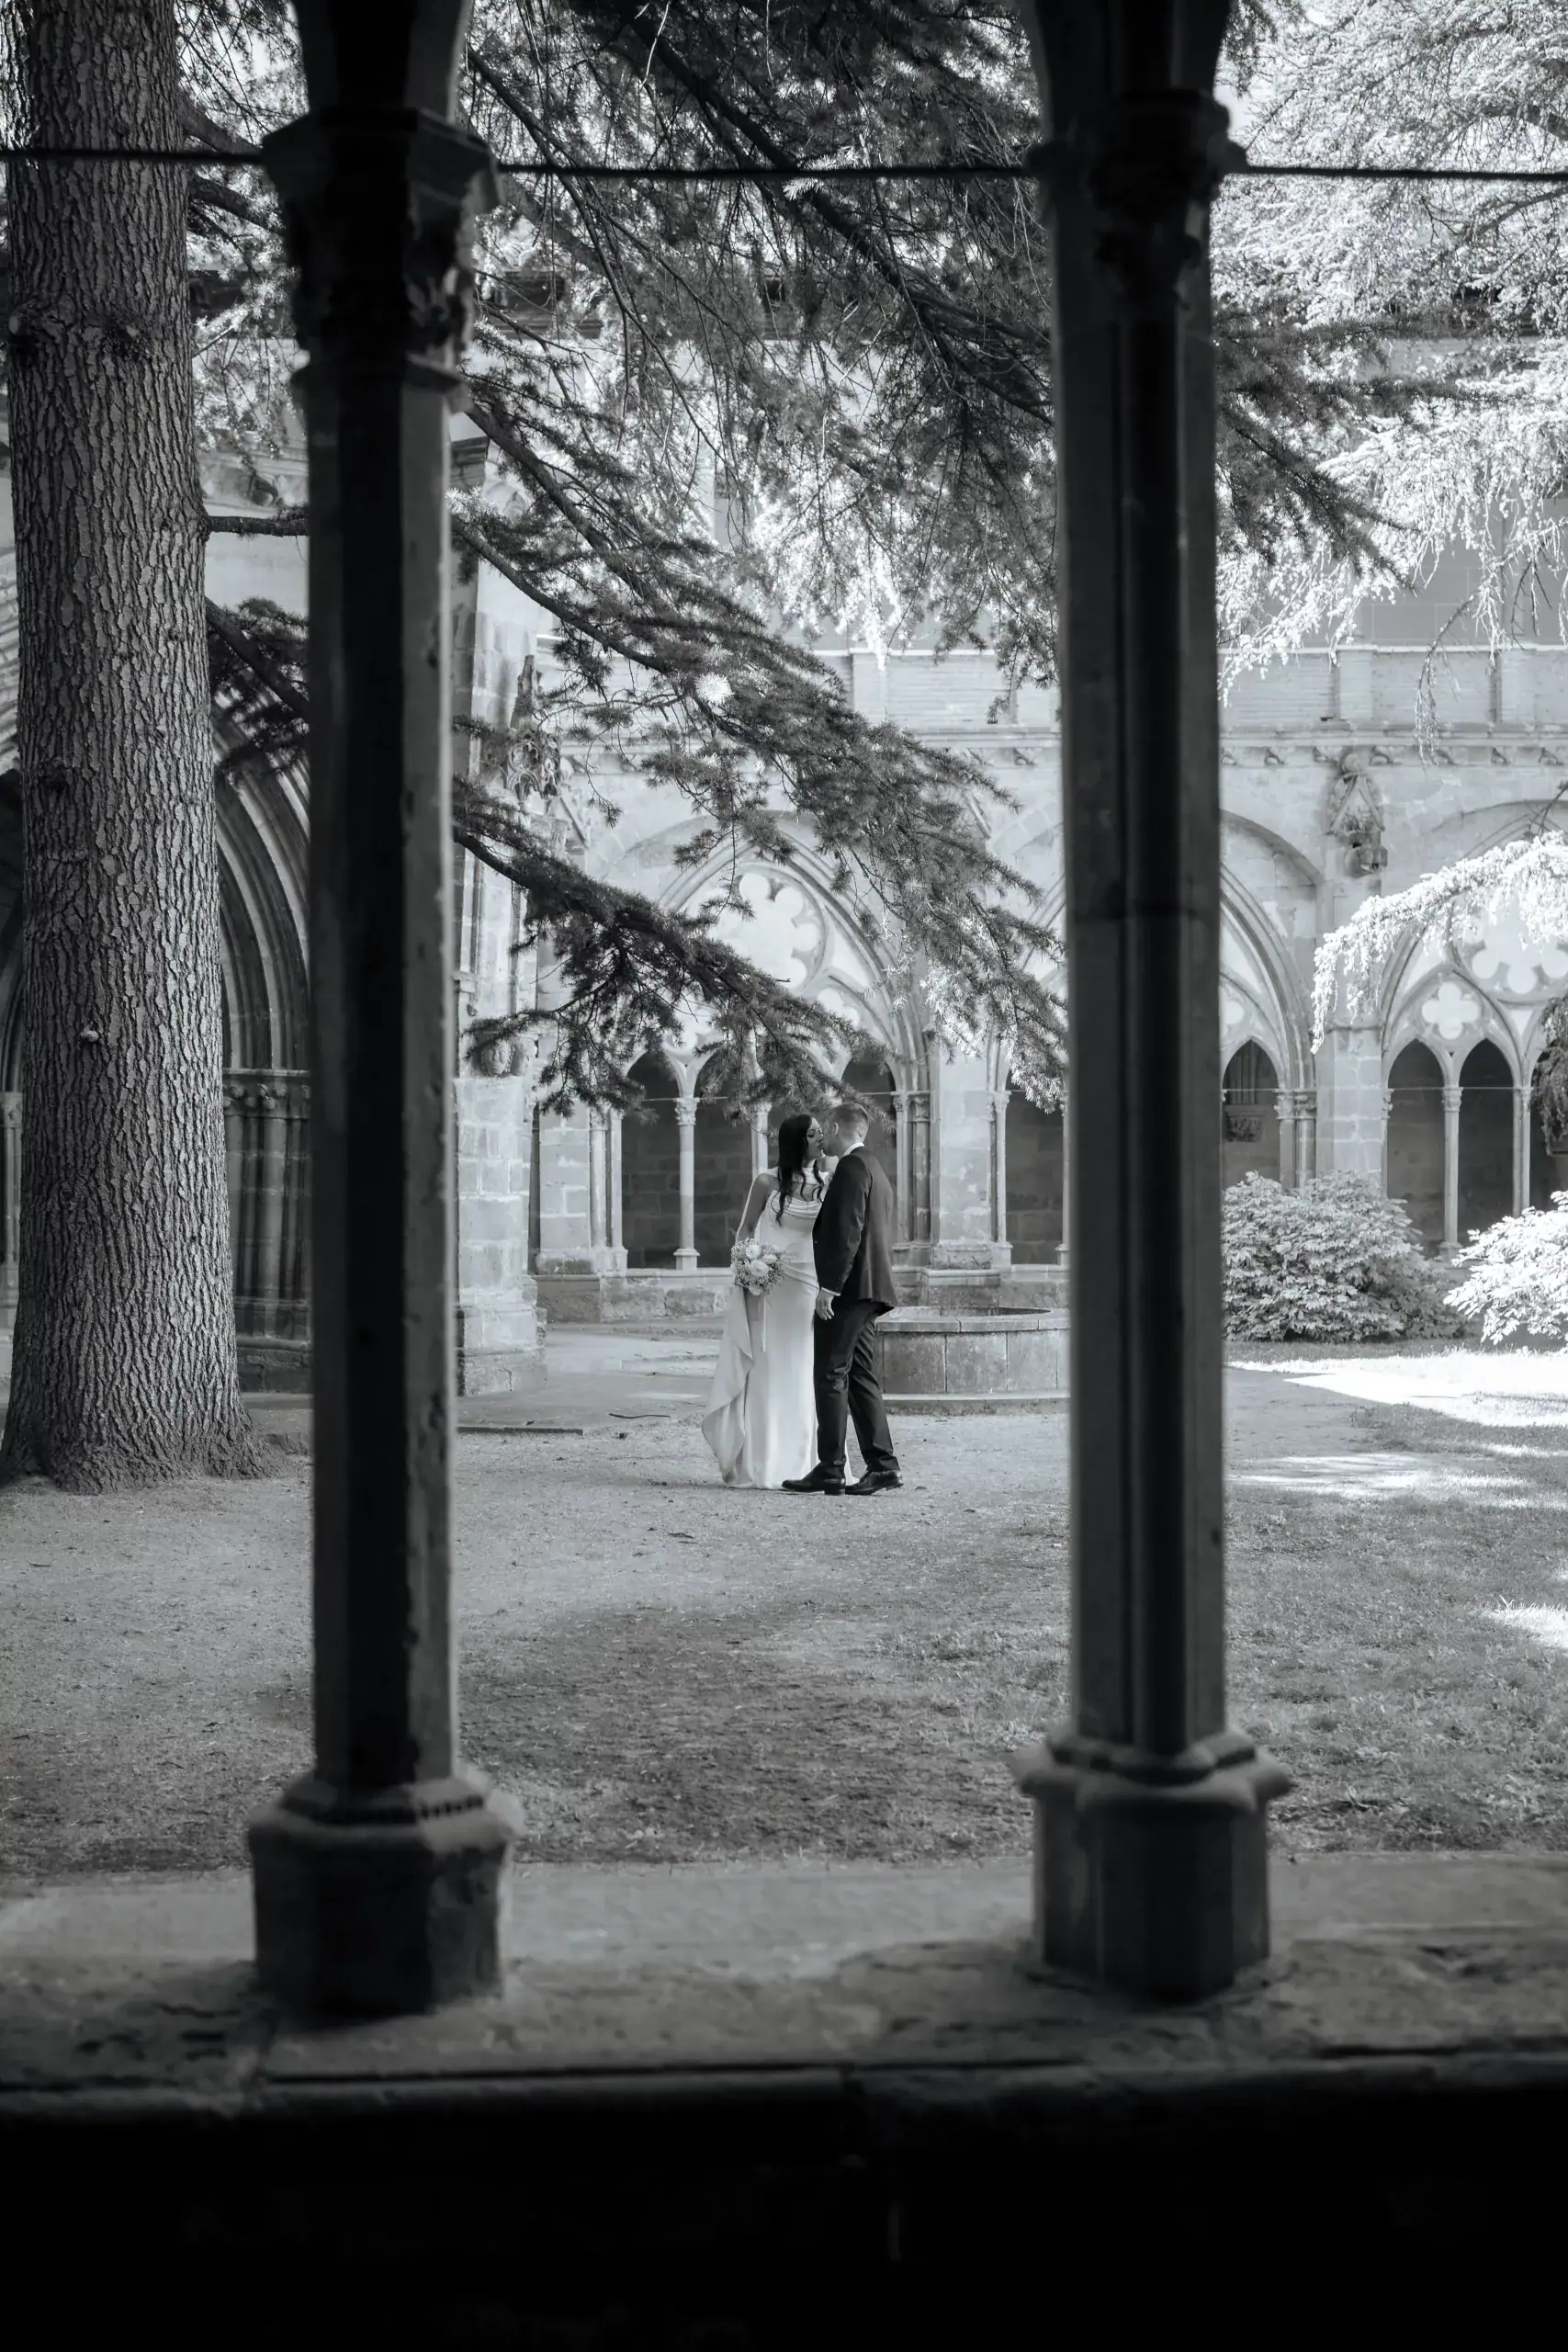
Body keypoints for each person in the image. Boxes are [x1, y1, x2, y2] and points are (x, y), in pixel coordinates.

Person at [700, 1111, 831, 1488]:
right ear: (796, 1141)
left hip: (809, 1282)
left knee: (803, 1368)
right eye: (813, 1133)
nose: (821, 1138)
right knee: (769, 1366)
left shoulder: (828, 1181)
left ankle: (806, 1460)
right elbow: (745, 1227)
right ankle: (764, 1460)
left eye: (822, 1132)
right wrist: (746, 1264)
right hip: (771, 1281)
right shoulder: (766, 1181)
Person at [783, 1102, 901, 1498]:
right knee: (860, 1375)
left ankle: (831, 1468)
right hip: (870, 1288)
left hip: (850, 1290)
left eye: (825, 1130)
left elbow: (849, 1231)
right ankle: (883, 1466)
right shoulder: (874, 1167)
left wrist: (829, 1288)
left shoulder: (851, 1167)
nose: (823, 1137)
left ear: (836, 1127)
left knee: (831, 1374)